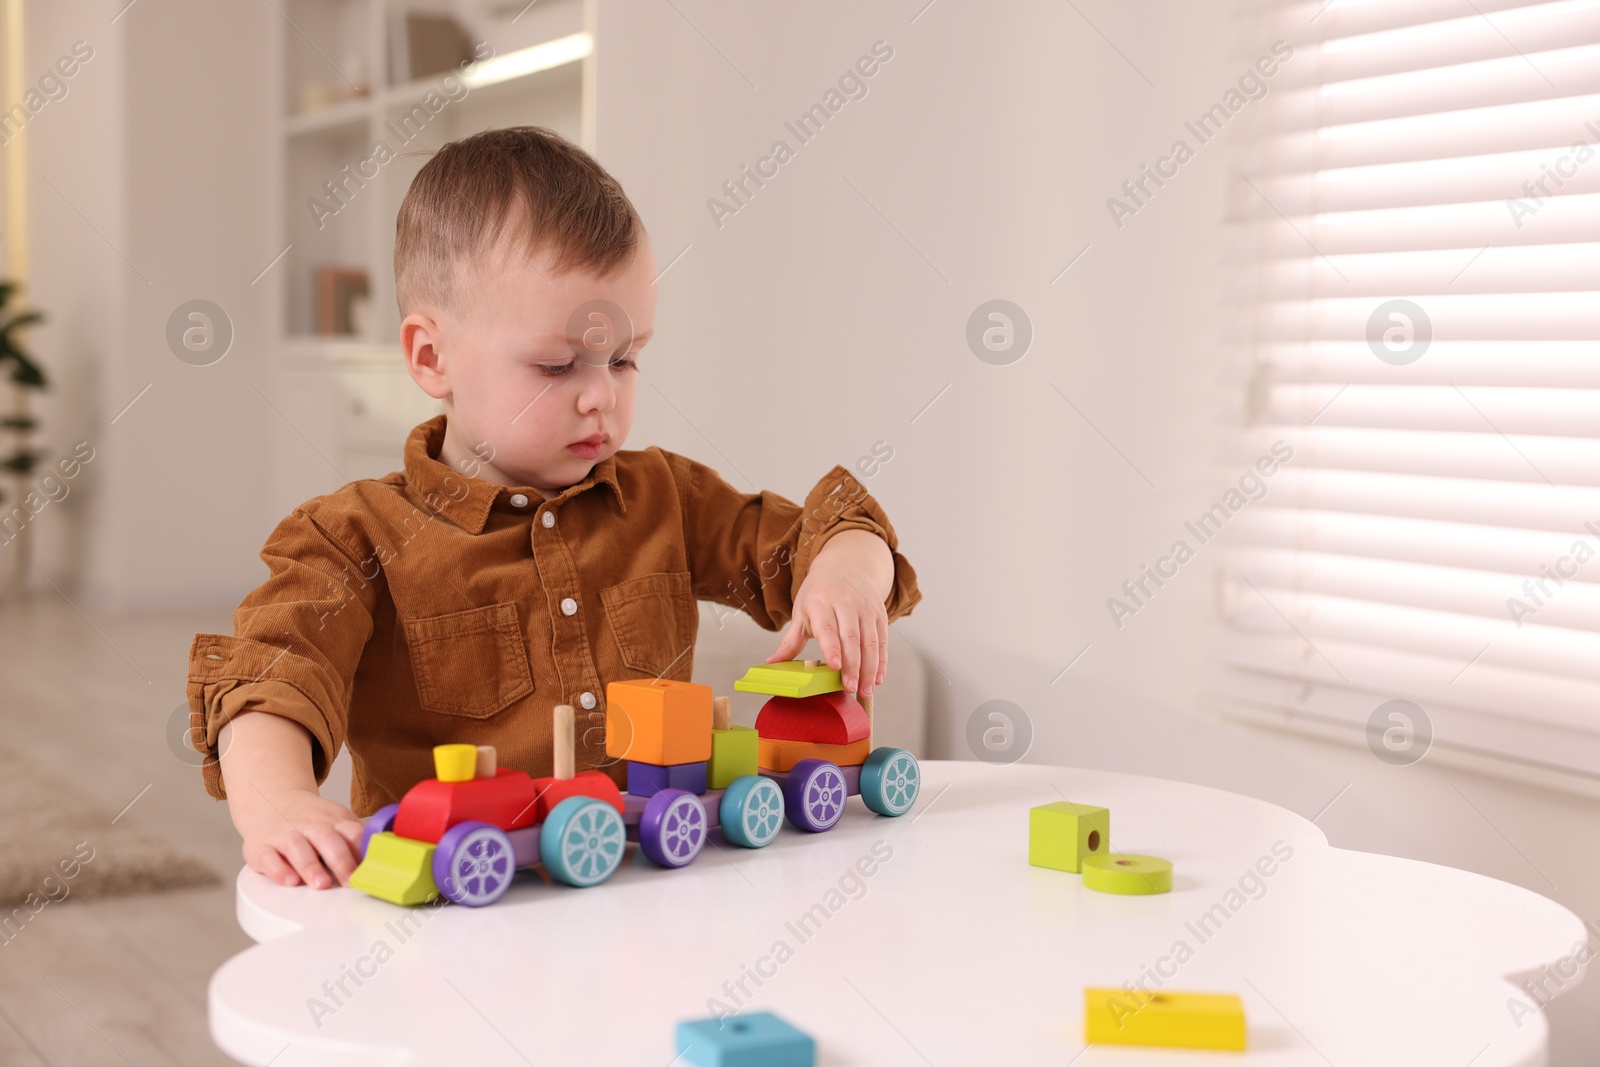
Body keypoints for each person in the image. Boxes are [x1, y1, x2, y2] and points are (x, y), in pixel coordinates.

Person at [186, 126, 921, 893]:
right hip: (458, 911)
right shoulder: (352, 536)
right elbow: (273, 671)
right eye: (557, 364)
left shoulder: (666, 497)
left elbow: (822, 533)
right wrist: (279, 802)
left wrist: (846, 572)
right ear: (431, 358)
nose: (601, 391)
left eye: (626, 357)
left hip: (655, 893)